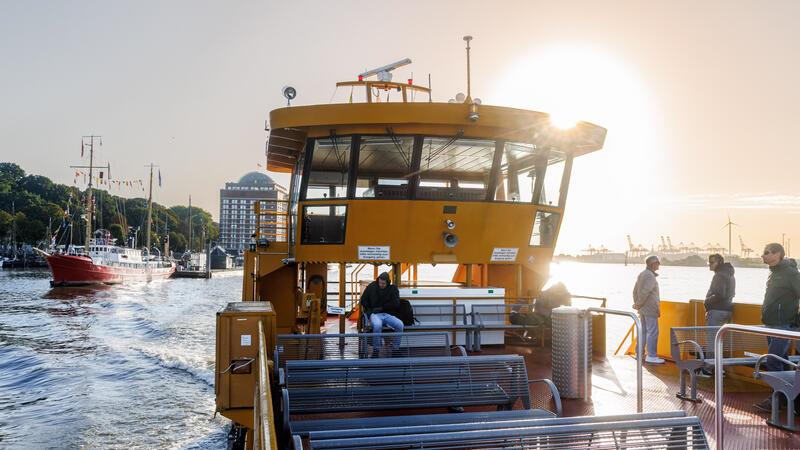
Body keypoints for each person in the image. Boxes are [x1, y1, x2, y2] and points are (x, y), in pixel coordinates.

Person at [754, 243, 800, 413]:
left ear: (778, 254)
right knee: (782, 360)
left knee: (773, 360)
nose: (762, 255)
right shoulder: (774, 274)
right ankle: (788, 399)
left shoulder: (791, 273)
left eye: (767, 252)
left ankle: (778, 398)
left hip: (783, 325)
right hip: (771, 324)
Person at [698, 254, 736, 377]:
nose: (709, 264)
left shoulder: (719, 275)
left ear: (719, 262)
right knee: (720, 341)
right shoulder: (730, 274)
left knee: (712, 340)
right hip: (727, 310)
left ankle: (707, 369)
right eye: (709, 261)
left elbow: (720, 294)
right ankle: (720, 369)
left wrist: (707, 302)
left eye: (712, 262)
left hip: (717, 311)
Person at [359, 272, 404, 355]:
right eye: (380, 282)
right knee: (377, 325)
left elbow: (396, 303)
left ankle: (395, 348)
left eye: (383, 283)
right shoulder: (372, 286)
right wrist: (371, 309)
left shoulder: (393, 289)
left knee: (400, 325)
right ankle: (376, 349)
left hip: (388, 314)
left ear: (388, 282)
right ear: (377, 281)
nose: (381, 285)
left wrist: (382, 308)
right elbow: (363, 300)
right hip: (375, 314)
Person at [633, 255, 665, 364]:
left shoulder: (641, 274)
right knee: (653, 332)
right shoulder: (650, 276)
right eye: (657, 263)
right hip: (650, 308)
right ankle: (651, 355)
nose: (659, 265)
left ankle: (639, 353)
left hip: (642, 309)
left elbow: (635, 291)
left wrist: (637, 304)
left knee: (643, 331)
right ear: (652, 264)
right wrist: (639, 303)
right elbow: (645, 292)